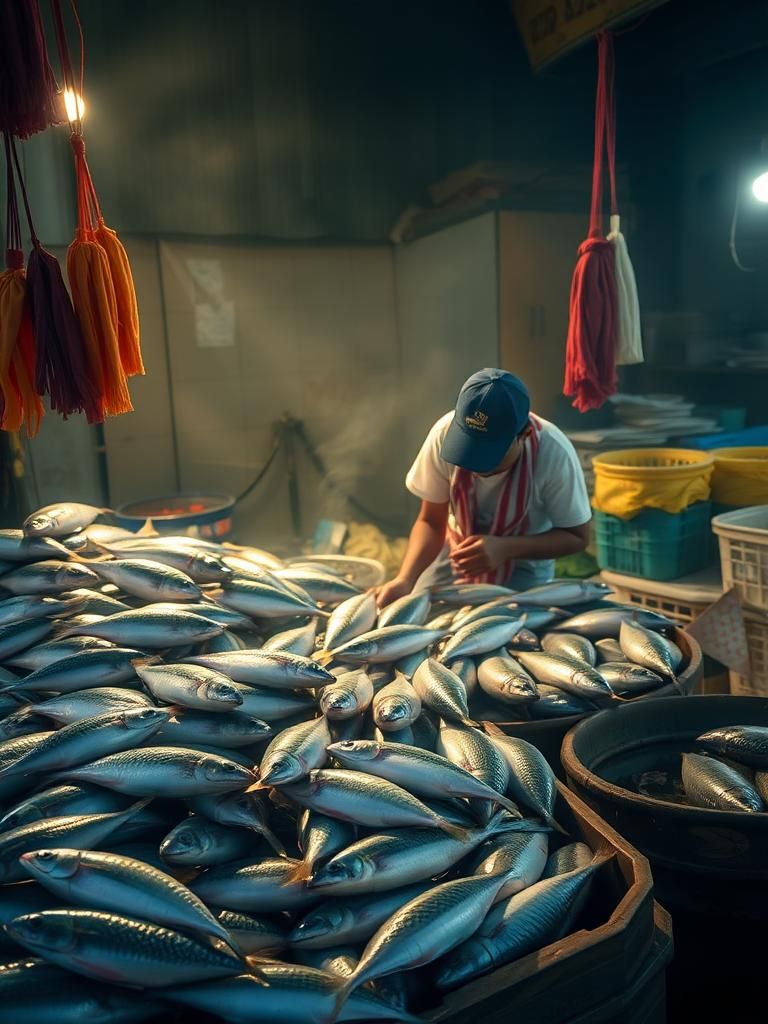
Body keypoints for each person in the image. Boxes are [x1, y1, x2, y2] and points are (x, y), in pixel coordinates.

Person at [376, 368, 591, 607]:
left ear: (525, 434)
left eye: (490, 453)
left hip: (524, 562)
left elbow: (577, 537)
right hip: (455, 550)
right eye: (468, 449)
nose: (476, 464)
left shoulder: (554, 453)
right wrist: (405, 579)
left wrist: (506, 548)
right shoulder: (442, 434)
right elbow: (430, 521)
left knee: (508, 624)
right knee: (420, 607)